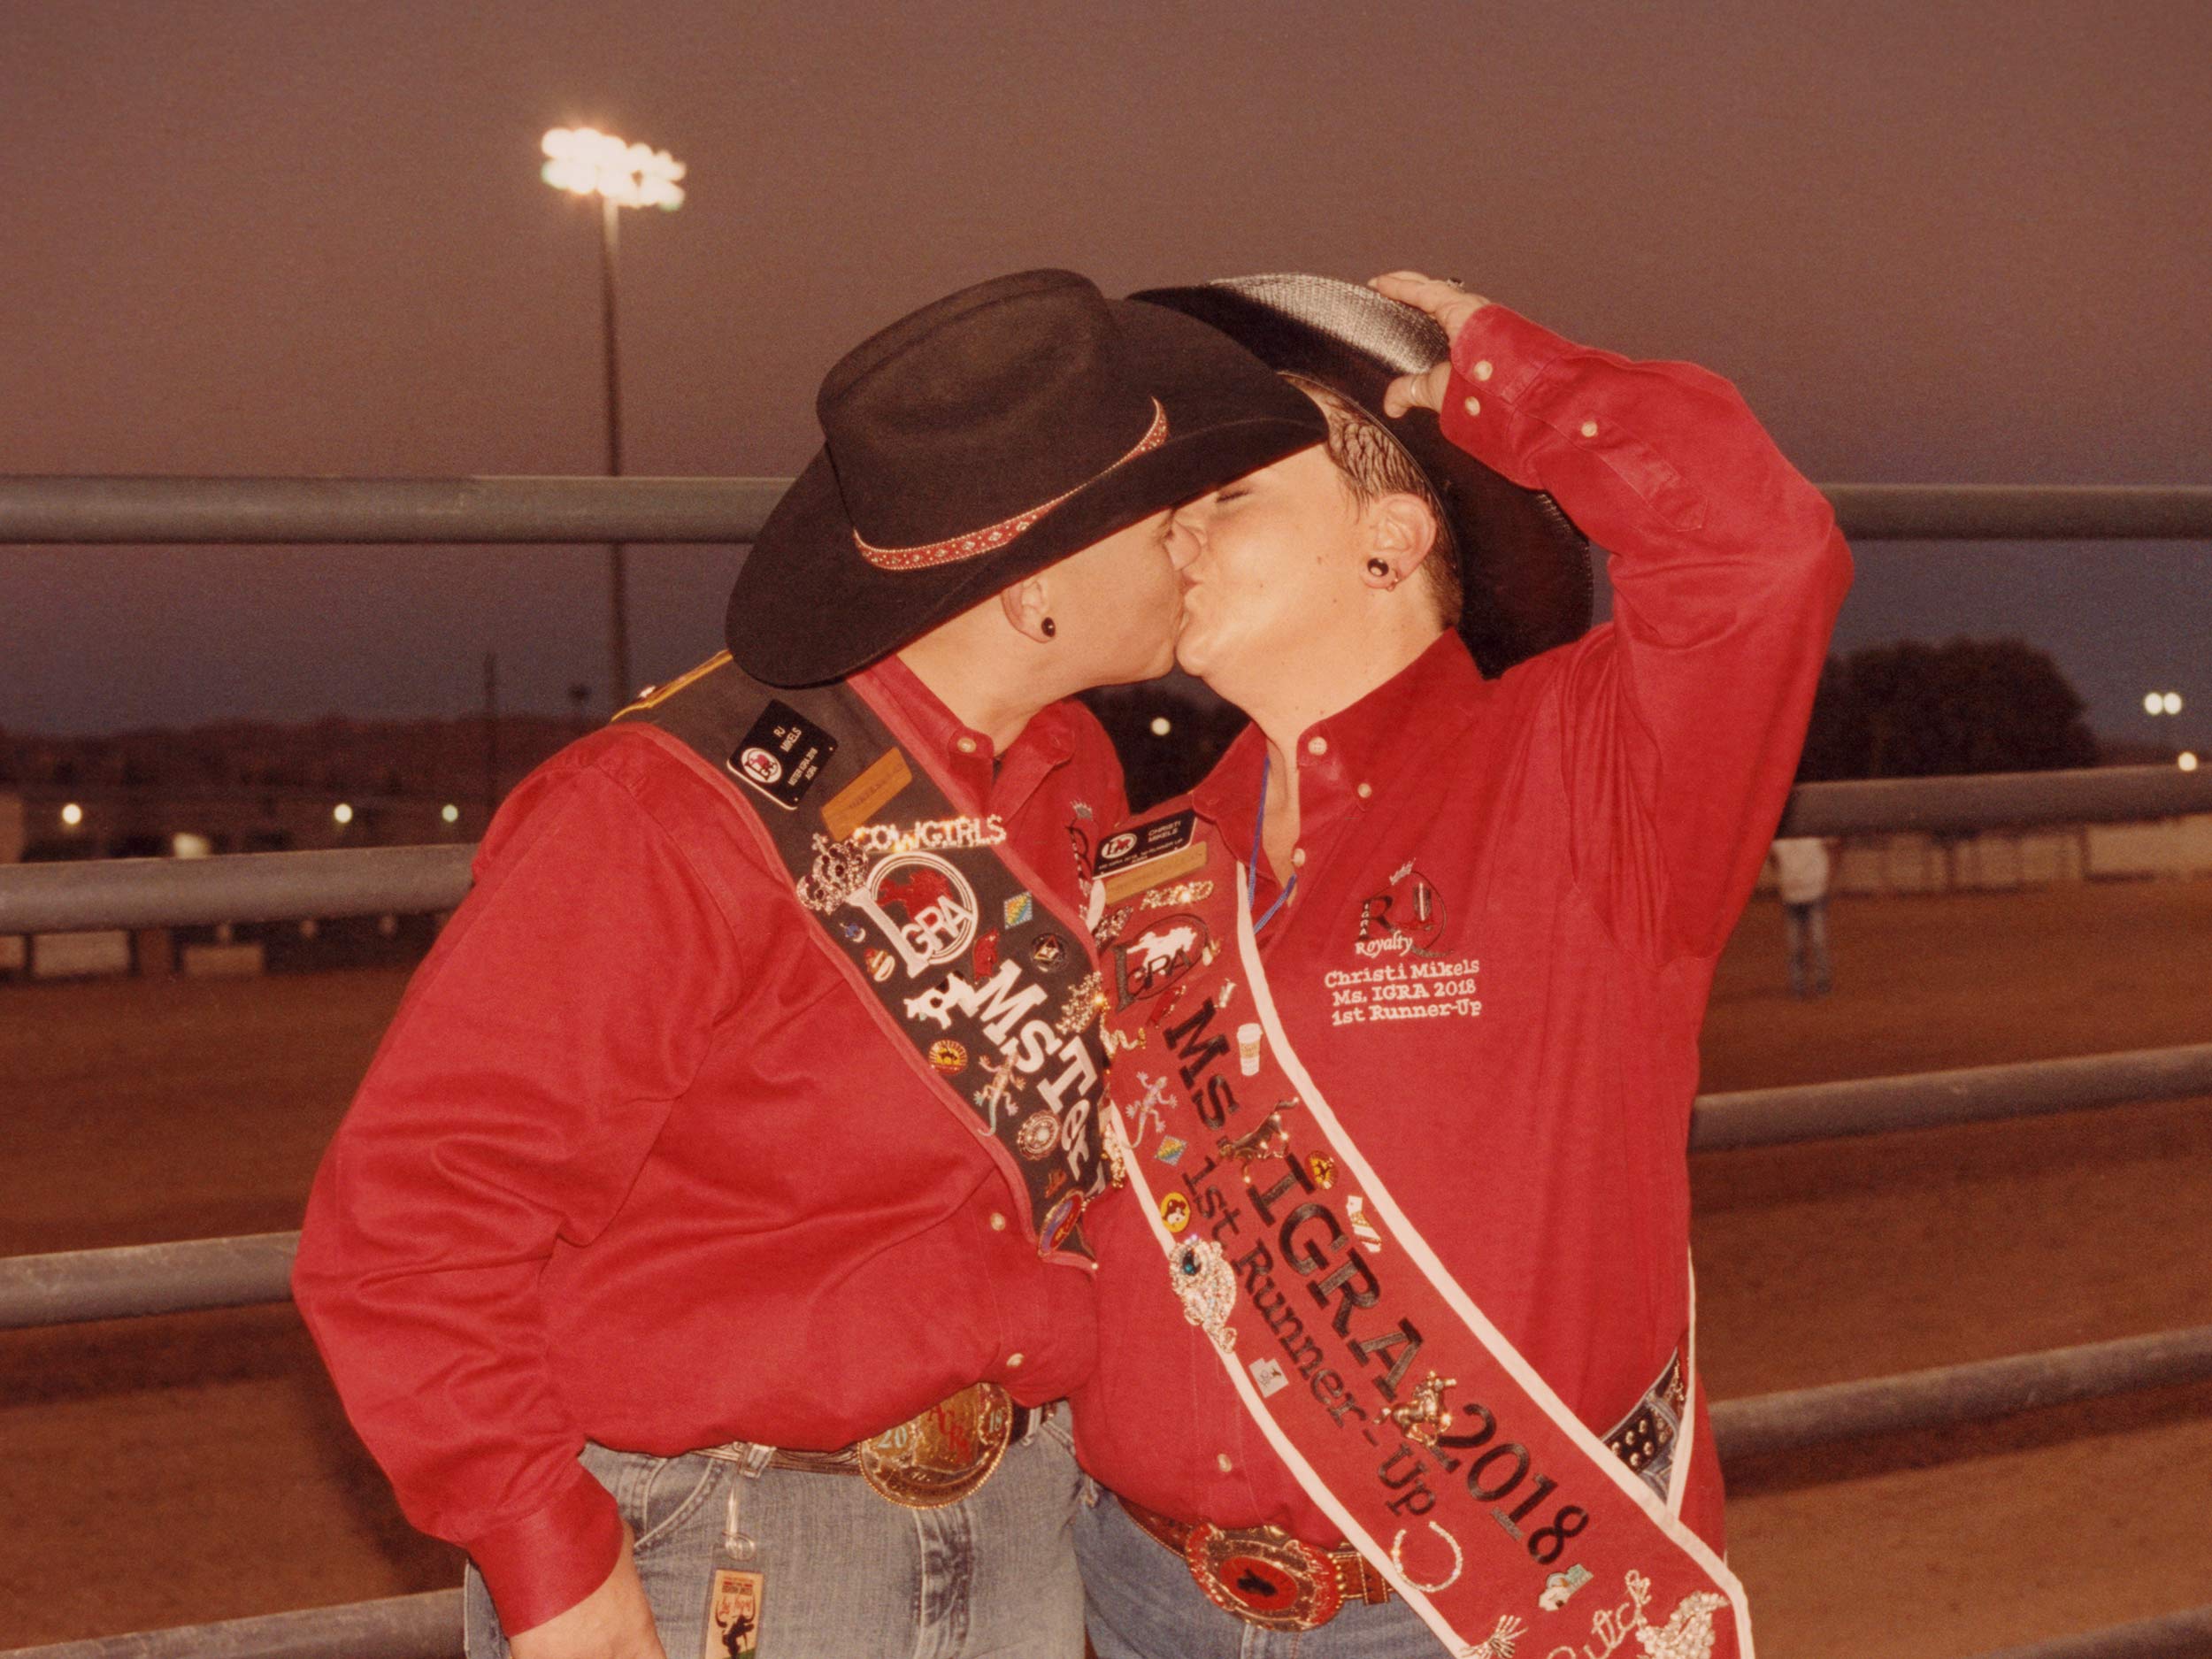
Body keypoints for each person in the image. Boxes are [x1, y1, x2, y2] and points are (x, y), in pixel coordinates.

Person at [290, 269, 1327, 1659]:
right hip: (730, 1544)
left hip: (1024, 1515)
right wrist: (551, 1566)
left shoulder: (1071, 766)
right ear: (1034, 592)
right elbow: (412, 1225)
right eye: (1164, 516)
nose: (1198, 545)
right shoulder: (657, 815)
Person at [1068, 272, 1851, 1659]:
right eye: (1168, 507)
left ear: (1393, 537)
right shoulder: (1143, 856)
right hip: (1138, 1590)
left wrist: (1501, 374)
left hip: (1459, 1609)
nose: (1174, 536)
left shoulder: (1579, 764)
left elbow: (1751, 550)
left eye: (1227, 496)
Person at [1769, 835, 1834, 997]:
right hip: (1792, 895)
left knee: (1817, 941)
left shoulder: (1811, 833)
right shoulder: (1780, 837)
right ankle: (1799, 985)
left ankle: (1821, 982)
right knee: (1796, 944)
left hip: (1814, 891)